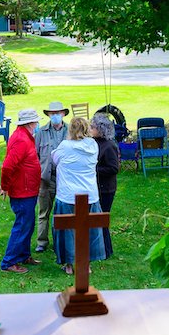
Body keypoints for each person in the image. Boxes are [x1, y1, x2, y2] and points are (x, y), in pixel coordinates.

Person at [51, 117, 105, 274]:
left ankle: (69, 265)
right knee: (88, 230)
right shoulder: (93, 145)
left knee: (67, 230)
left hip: (68, 195)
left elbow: (55, 159)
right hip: (89, 195)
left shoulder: (65, 146)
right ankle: (86, 265)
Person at [0, 109, 42, 274]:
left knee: (28, 225)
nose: (37, 124)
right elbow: (8, 166)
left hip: (28, 190)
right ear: (30, 123)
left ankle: (24, 255)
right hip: (23, 192)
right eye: (36, 122)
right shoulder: (22, 139)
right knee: (22, 225)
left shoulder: (24, 136)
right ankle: (9, 261)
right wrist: (5, 186)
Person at [34, 101, 69, 253]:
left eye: (58, 113)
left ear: (63, 114)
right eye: (52, 113)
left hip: (65, 179)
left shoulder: (71, 131)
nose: (55, 116)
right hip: (45, 180)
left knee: (62, 213)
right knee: (43, 212)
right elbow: (34, 156)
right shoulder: (41, 132)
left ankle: (59, 242)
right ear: (48, 115)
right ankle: (42, 242)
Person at [90, 113, 120, 259]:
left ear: (100, 129)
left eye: (93, 127)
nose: (90, 129)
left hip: (106, 189)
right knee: (97, 220)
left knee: (102, 220)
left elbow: (114, 168)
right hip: (97, 187)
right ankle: (100, 249)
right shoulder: (94, 142)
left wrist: (94, 170)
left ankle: (106, 250)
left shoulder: (109, 146)